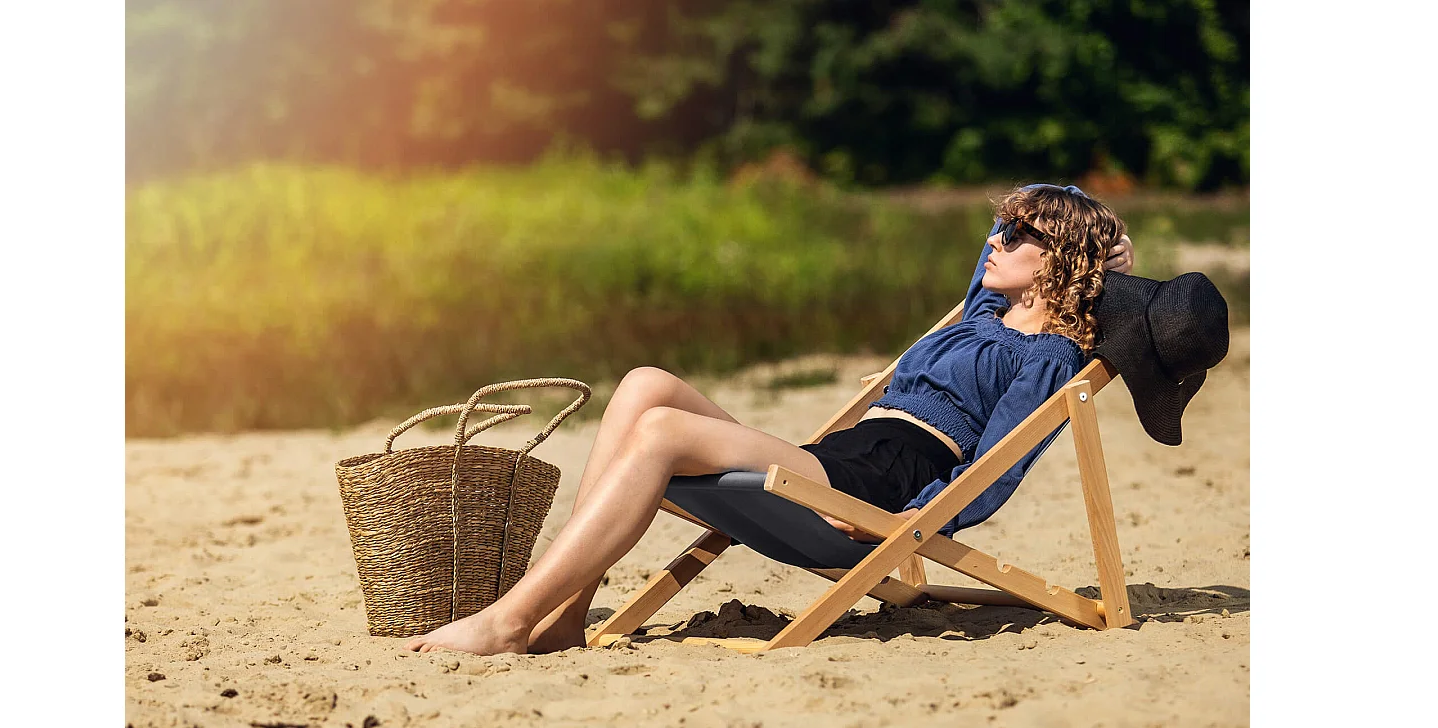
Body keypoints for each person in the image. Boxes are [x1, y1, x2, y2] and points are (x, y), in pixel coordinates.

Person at [404, 183, 1131, 656]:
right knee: (643, 384)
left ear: (1057, 258)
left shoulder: (1048, 356)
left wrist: (912, 518)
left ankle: (507, 619)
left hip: (880, 481)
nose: (995, 243)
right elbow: (986, 258)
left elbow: (998, 464)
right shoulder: (986, 309)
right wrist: (1077, 224)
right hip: (839, 455)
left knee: (661, 432)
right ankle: (563, 614)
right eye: (1000, 231)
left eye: (1016, 236)